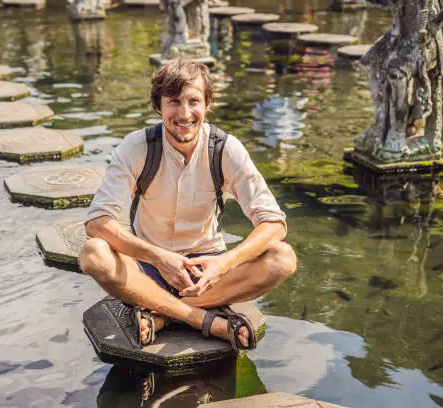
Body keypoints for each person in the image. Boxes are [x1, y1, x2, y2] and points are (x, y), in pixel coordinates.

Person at [79, 58, 296, 350]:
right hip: (148, 268)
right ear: (159, 107)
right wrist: (159, 258)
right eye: (174, 101)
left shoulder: (225, 149)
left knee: (283, 258)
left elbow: (274, 223)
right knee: (94, 255)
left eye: (194, 101)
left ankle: (164, 314)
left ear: (207, 104)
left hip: (207, 271)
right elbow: (97, 223)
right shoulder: (137, 147)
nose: (184, 113)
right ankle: (202, 319)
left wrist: (224, 263)